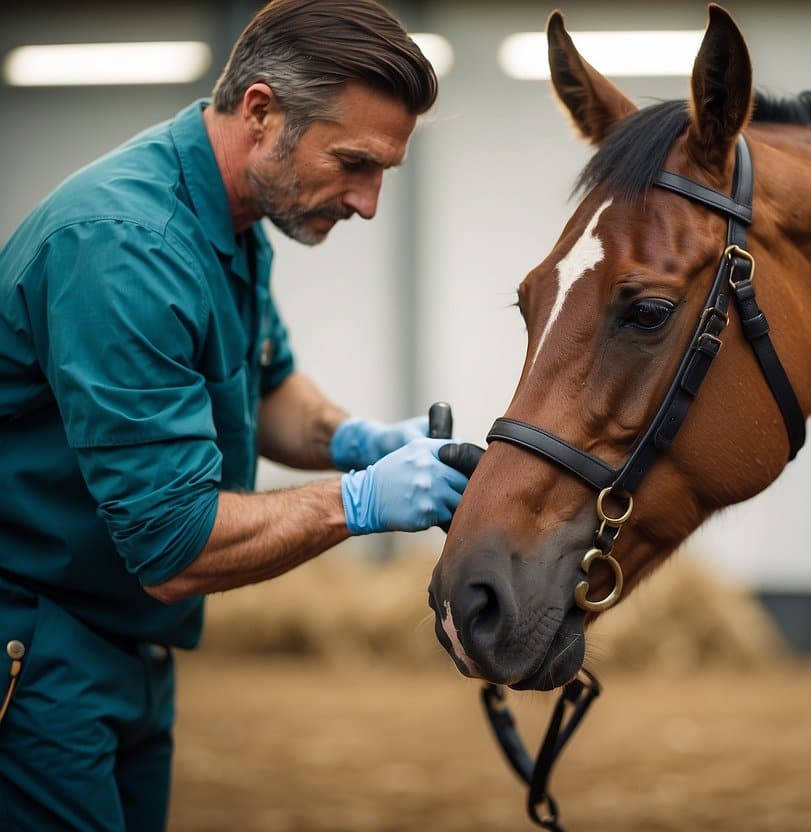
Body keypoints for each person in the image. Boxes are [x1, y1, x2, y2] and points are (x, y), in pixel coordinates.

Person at [0, 1, 477, 829]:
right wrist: (357, 500)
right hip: (35, 641)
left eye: (383, 175)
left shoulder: (234, 220)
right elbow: (172, 547)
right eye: (353, 164)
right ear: (262, 113)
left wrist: (358, 439)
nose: (367, 204)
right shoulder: (125, 246)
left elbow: (266, 385)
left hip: (126, 642)